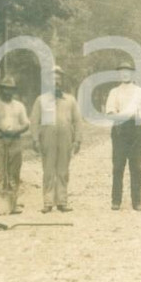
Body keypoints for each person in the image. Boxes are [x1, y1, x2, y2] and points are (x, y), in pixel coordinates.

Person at [31, 65, 82, 213]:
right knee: (48, 170)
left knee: (63, 170)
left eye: (59, 79)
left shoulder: (70, 100)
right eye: (53, 79)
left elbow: (77, 121)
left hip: (65, 138)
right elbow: (34, 120)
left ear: (62, 81)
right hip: (47, 138)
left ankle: (62, 201)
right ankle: (48, 202)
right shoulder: (41, 100)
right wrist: (35, 139)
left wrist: (77, 140)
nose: (56, 82)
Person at [104, 61, 141, 211]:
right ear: (119, 74)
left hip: (136, 130)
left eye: (128, 71)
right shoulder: (114, 92)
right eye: (122, 71)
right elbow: (111, 112)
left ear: (132, 74)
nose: (125, 74)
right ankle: (116, 200)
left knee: (136, 167)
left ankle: (137, 201)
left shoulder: (140, 92)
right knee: (118, 166)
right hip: (119, 130)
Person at [0, 75, 31, 214]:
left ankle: (13, 205)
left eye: (11, 89)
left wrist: (18, 130)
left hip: (15, 141)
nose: (8, 92)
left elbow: (26, 123)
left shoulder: (19, 105)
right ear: (1, 89)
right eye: (5, 89)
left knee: (14, 174)